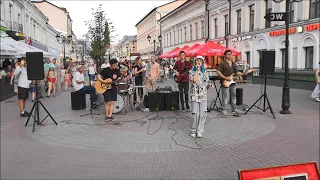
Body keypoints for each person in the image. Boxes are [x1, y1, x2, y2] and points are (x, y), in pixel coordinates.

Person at [216, 50, 243, 116]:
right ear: (225, 55)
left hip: (232, 82)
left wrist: (242, 73)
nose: (230, 55)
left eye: (230, 54)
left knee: (233, 96)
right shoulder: (222, 63)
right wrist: (225, 78)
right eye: (228, 54)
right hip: (225, 82)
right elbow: (218, 72)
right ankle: (224, 109)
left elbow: (236, 72)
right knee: (225, 97)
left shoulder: (233, 63)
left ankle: (234, 108)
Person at [189, 56, 210, 138]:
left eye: (200, 61)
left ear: (202, 62)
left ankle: (200, 131)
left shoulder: (205, 72)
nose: (198, 62)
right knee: (194, 113)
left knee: (203, 113)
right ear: (195, 62)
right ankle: (193, 130)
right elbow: (194, 81)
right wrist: (197, 71)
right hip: (194, 94)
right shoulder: (191, 71)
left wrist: (209, 85)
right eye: (197, 61)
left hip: (203, 95)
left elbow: (207, 82)